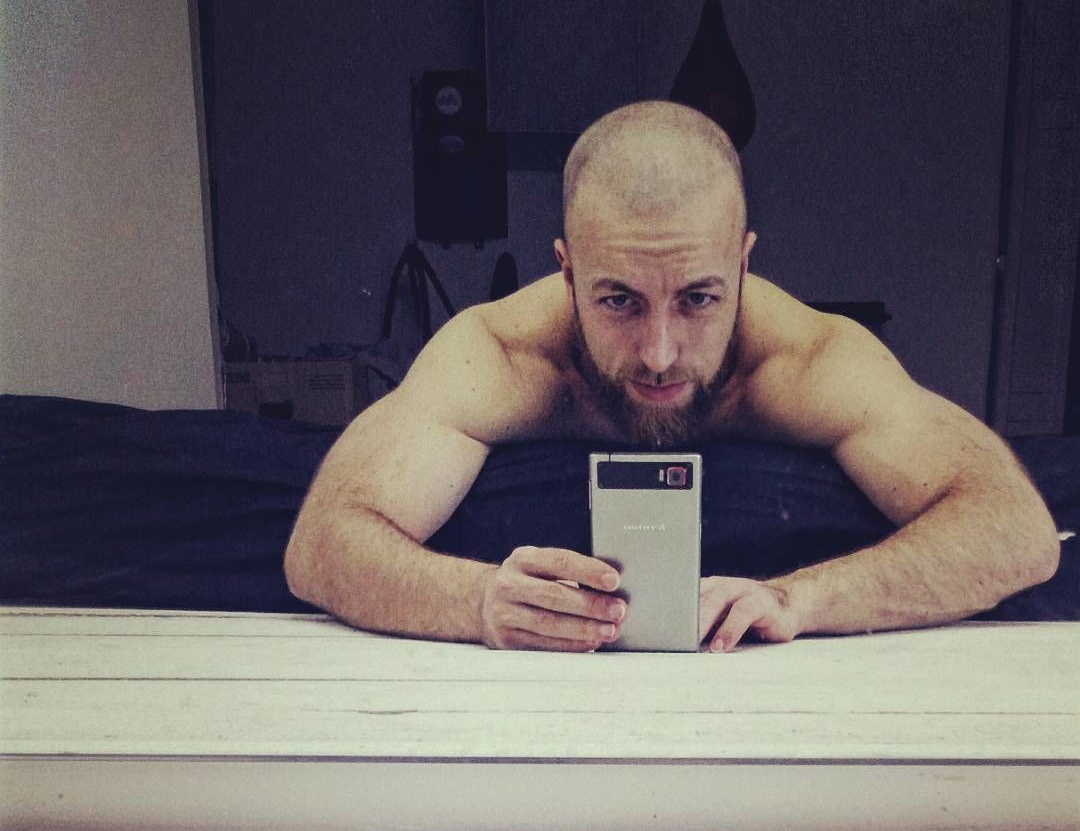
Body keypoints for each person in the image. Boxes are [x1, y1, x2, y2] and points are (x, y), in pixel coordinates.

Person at [285, 101, 1060, 652]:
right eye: (618, 300)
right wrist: (480, 601)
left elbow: (1015, 530)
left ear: (743, 265)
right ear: (567, 272)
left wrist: (800, 599)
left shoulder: (808, 360)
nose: (659, 352)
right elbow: (322, 543)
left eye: (697, 299)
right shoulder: (498, 355)